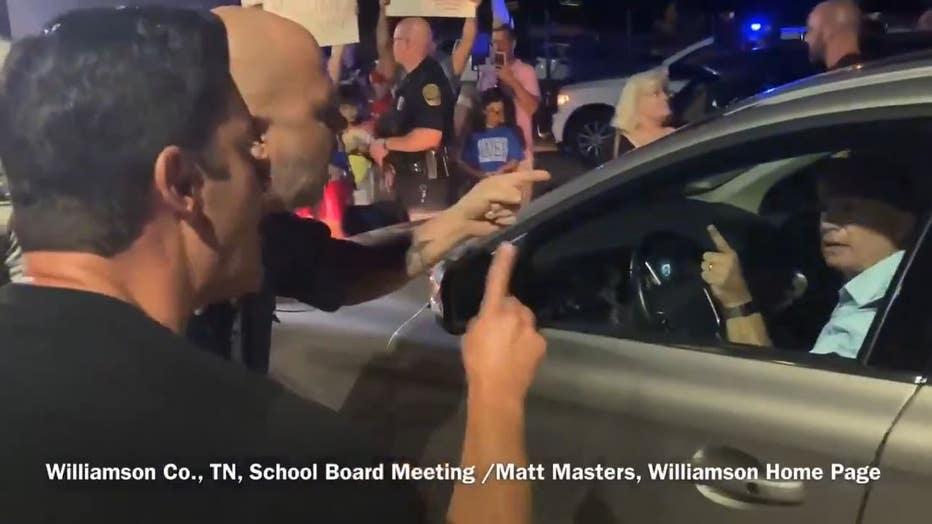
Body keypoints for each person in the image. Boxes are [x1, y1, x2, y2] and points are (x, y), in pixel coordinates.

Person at [0, 7, 547, 523]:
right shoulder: (292, 467)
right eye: (244, 145)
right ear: (184, 183)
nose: (258, 169)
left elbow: (332, 268)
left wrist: (454, 222)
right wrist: (496, 397)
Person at [187, 6, 549, 374]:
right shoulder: (147, 317)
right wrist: (496, 394)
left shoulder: (258, 232)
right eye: (320, 111)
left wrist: (460, 219)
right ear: (251, 135)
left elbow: (343, 270)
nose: (340, 125)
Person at [701, 153, 923, 359]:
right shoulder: (888, 290)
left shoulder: (877, 317)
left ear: (902, 224)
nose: (828, 223)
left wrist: (736, 301)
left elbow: (774, 393)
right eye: (825, 208)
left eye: (848, 209)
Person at [369, 17, 456, 218]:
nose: (392, 47)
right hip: (410, 179)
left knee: (427, 242)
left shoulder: (428, 82)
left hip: (426, 183)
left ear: (407, 43)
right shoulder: (410, 81)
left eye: (395, 41)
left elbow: (429, 135)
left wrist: (386, 144)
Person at [459, 88, 525, 185]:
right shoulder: (473, 135)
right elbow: (465, 163)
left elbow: (515, 159)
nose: (500, 117)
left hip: (505, 183)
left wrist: (503, 170)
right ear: (484, 111)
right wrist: (480, 175)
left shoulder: (508, 133)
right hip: (480, 184)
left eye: (502, 112)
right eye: (496, 112)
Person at [612, 68, 676, 158]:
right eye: (655, 94)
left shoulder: (681, 132)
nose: (665, 97)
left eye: (665, 92)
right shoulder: (615, 146)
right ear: (634, 102)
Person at [804, 0, 863, 70]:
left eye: (811, 30)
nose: (806, 38)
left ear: (828, 32)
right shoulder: (872, 72)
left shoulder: (834, 79)